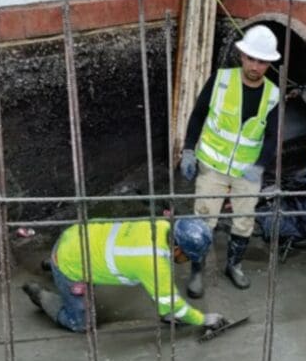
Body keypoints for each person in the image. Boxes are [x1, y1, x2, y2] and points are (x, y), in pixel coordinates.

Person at [179, 24, 282, 298]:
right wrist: (188, 149)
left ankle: (234, 265)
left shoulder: (273, 94)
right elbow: (199, 114)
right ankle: (197, 272)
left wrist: (259, 165)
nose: (256, 66)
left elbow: (272, 137)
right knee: (204, 219)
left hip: (247, 172)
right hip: (212, 166)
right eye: (252, 58)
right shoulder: (221, 80)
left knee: (244, 221)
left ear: (269, 64)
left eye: (262, 61)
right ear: (242, 56)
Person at [22, 217, 225, 332]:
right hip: (70, 262)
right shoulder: (151, 262)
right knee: (82, 324)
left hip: (76, 235)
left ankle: (52, 262)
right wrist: (201, 319)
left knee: (90, 254)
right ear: (177, 248)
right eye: (188, 257)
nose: (188, 261)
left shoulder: (162, 226)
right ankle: (40, 294)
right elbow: (171, 302)